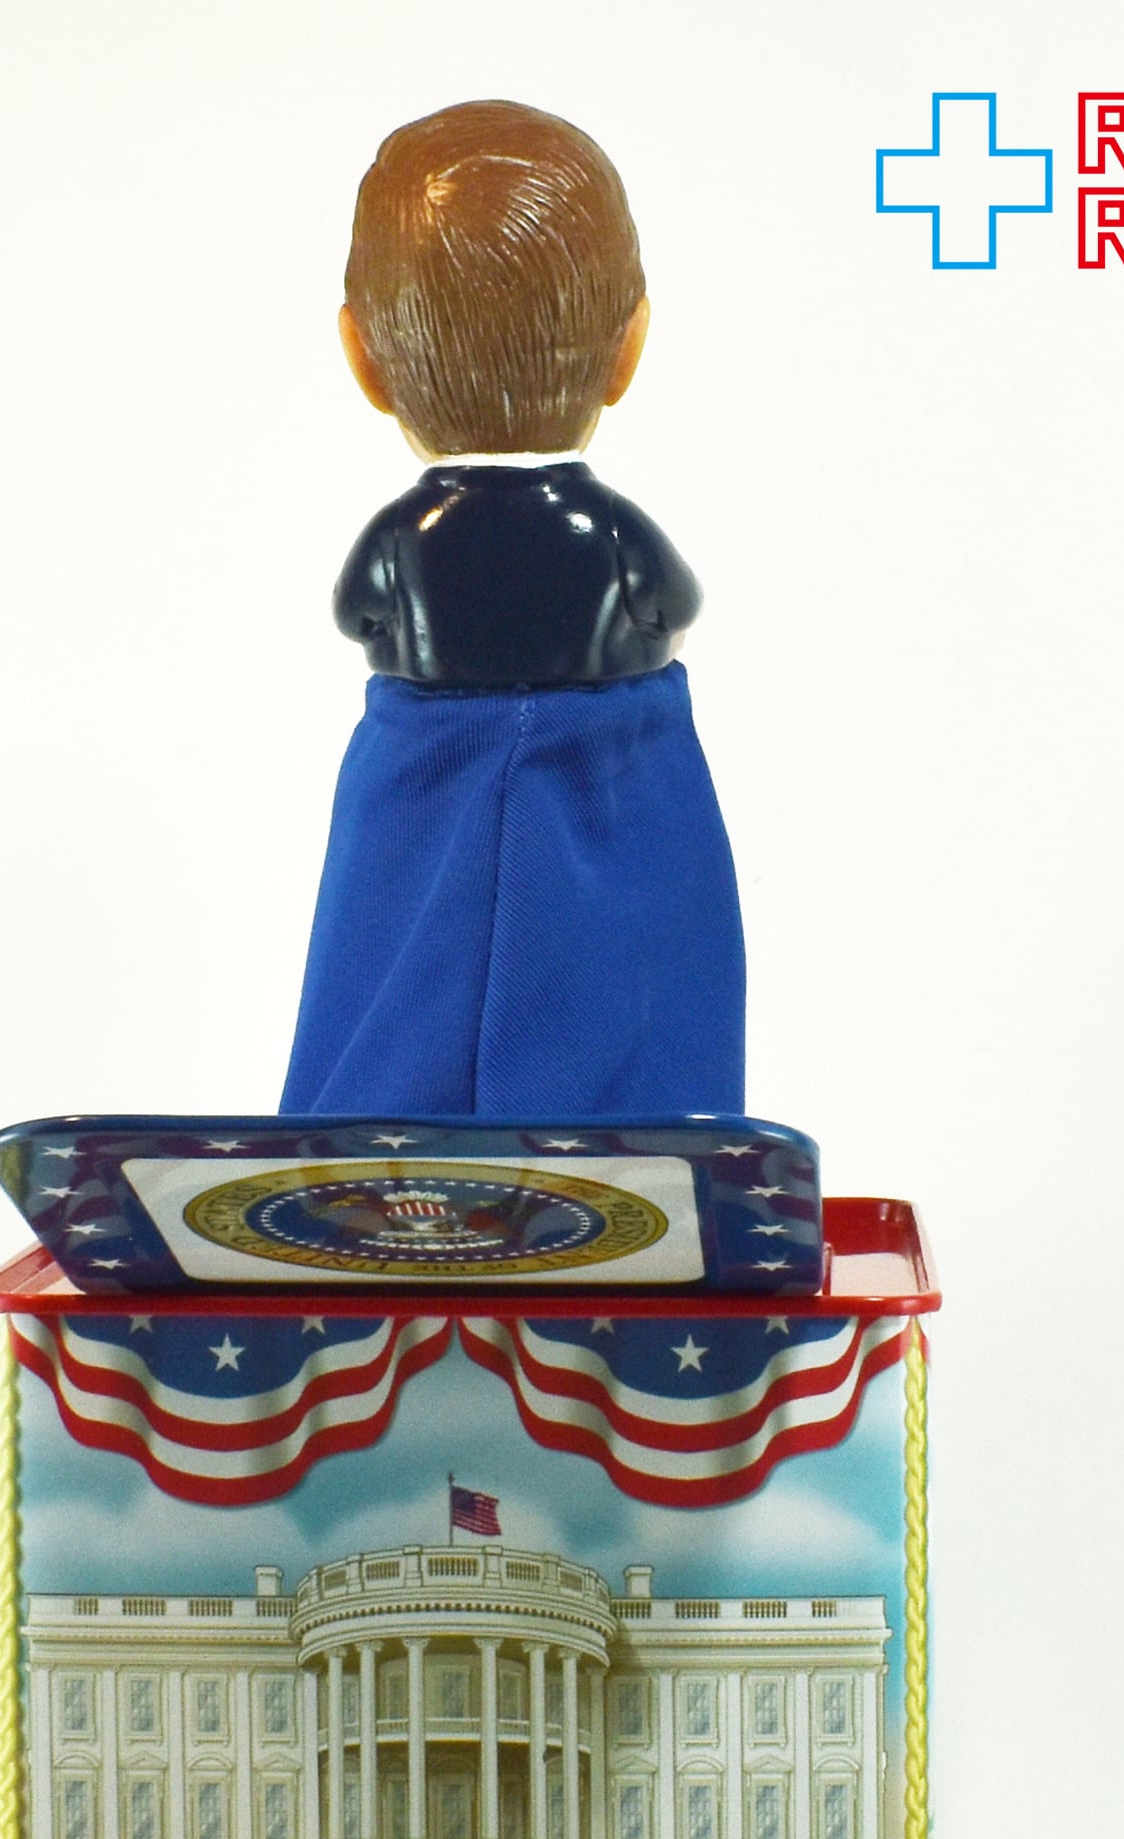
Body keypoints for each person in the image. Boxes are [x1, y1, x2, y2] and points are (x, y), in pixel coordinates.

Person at [279, 100, 747, 1120]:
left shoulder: (406, 537)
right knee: (629, 978)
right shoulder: (609, 533)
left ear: (364, 359)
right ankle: (638, 1148)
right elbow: (673, 603)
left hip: (426, 761)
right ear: (628, 349)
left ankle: (370, 1151)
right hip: (609, 768)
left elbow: (361, 615)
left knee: (393, 969)